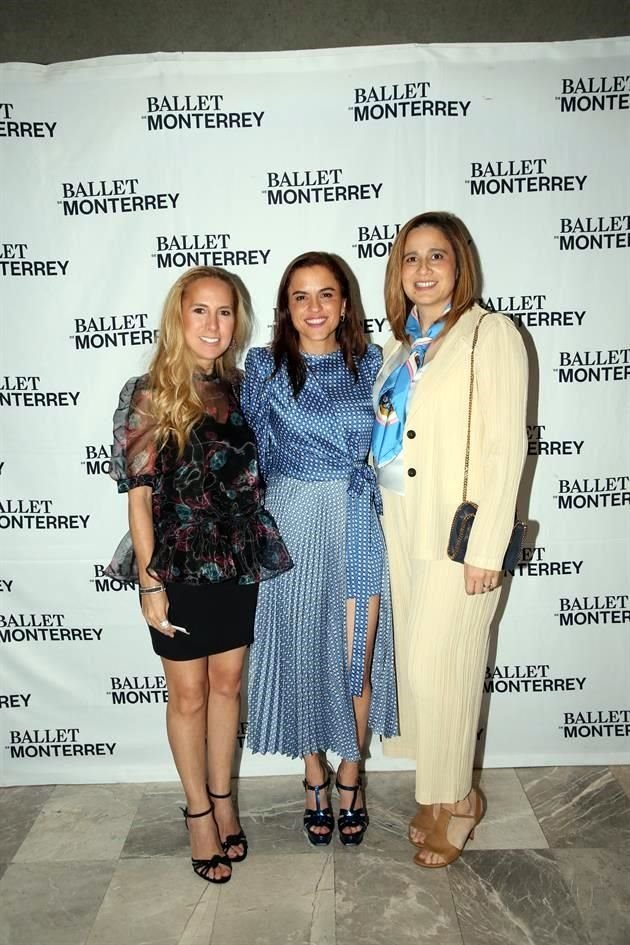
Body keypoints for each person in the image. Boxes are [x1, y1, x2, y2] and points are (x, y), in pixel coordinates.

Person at [106, 266, 291, 884]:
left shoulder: (243, 387)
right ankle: (196, 814)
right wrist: (149, 581)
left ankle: (224, 800)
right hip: (177, 562)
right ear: (177, 318)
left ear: (237, 321)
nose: (214, 324)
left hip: (237, 557)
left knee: (228, 686)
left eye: (225, 312)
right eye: (200, 311)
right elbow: (138, 498)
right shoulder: (149, 392)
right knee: (187, 694)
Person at [372, 212, 527, 868]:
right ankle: (435, 793)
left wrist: (488, 545)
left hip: (456, 532)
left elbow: (505, 442)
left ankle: (459, 801)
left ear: (460, 264)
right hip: (399, 523)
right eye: (412, 257)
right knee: (418, 672)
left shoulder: (489, 334)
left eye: (438, 256)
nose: (424, 270)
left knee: (450, 668)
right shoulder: (400, 346)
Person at [241, 251, 397, 847]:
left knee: (357, 653)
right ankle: (313, 774)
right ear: (285, 306)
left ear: (345, 302)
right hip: (290, 523)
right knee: (303, 651)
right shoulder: (264, 367)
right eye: (300, 296)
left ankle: (352, 772)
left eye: (326, 294)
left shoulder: (374, 363)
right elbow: (247, 451)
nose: (314, 307)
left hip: (355, 515)